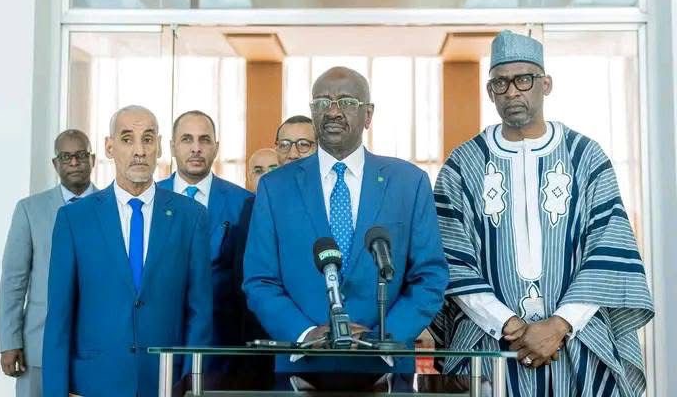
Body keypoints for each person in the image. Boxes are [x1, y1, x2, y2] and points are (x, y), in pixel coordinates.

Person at [431, 31, 654, 395]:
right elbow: (450, 260)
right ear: (490, 92)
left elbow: (608, 248)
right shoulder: (463, 164)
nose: (512, 92)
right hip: (491, 344)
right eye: (500, 83)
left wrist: (560, 325)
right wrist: (508, 324)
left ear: (545, 84)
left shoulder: (585, 157)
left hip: (579, 341)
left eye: (523, 79)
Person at [243, 66, 449, 379]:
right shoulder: (275, 187)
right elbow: (260, 280)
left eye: (347, 102)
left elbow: (430, 276)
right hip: (301, 369)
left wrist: (383, 337)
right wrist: (305, 334)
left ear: (368, 115)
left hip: (386, 369)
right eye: (322, 102)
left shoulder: (409, 183)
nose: (333, 111)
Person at [42, 105, 212, 397]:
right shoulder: (74, 219)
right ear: (109, 147)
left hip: (165, 383)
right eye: (127, 139)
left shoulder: (191, 216)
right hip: (94, 384)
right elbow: (59, 318)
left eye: (147, 139)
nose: (139, 151)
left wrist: (188, 385)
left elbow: (200, 312)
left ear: (160, 147)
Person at [156, 110, 260, 387]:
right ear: (172, 146)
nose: (196, 148)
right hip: (159, 342)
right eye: (187, 139)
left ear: (216, 147)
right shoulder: (150, 199)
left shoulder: (243, 203)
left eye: (204, 140)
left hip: (222, 350)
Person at [0, 130, 97, 397]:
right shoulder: (30, 210)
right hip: (38, 345)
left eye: (81, 155)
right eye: (66, 157)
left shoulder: (113, 207)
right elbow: (14, 280)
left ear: (92, 159)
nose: (74, 162)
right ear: (55, 163)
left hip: (97, 347)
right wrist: (9, 341)